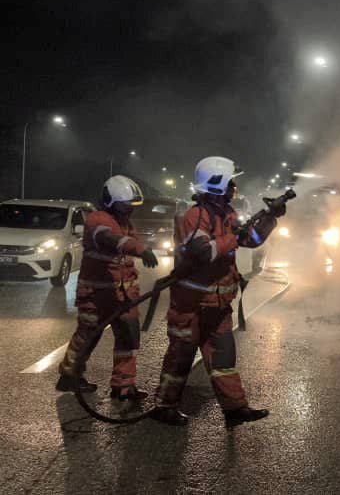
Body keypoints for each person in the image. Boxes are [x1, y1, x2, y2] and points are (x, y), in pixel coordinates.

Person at [150, 156, 284, 427]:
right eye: (231, 181)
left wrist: (270, 218)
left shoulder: (227, 215)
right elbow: (202, 251)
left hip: (218, 304)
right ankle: (164, 407)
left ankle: (235, 410)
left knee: (224, 358)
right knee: (180, 357)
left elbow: (250, 240)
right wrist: (233, 236)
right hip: (191, 305)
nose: (235, 186)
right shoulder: (194, 216)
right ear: (217, 184)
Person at [56, 175, 159, 399]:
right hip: (96, 295)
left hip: (123, 295)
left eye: (131, 205)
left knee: (128, 339)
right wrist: (138, 249)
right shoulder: (97, 219)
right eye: (125, 205)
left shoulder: (125, 222)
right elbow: (109, 239)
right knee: (87, 336)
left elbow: (128, 241)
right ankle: (69, 376)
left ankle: (123, 387)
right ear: (110, 200)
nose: (129, 209)